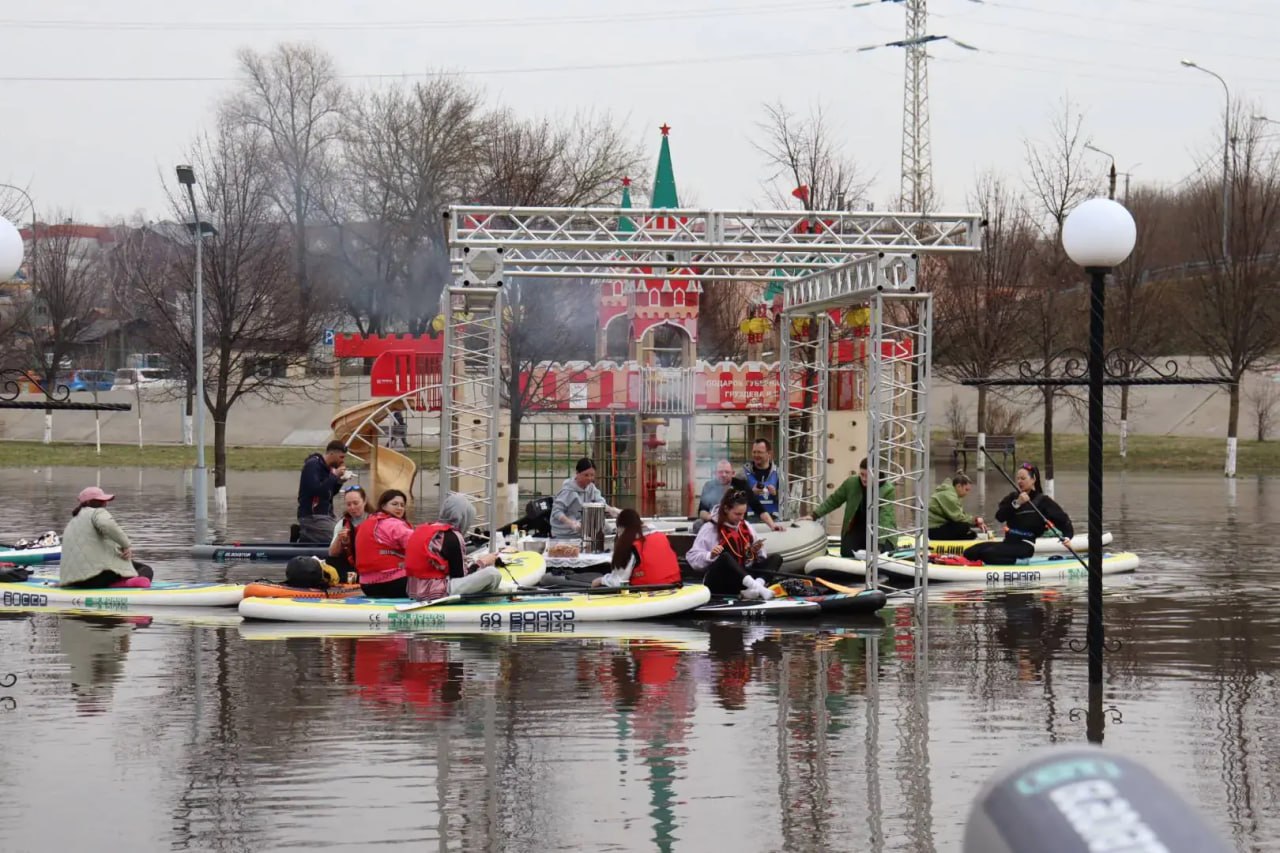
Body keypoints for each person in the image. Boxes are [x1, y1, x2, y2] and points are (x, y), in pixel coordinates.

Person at [963, 463, 1074, 565]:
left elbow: (1064, 520)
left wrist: (1068, 536)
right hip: (1008, 542)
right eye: (1018, 478)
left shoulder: (1043, 501)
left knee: (987, 554)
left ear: (1033, 479)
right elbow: (999, 517)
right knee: (969, 552)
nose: (1020, 481)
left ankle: (1020, 562)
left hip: (1025, 545)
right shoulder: (1012, 498)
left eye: (1023, 478)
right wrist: (1017, 503)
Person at [405, 492, 504, 602]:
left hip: (414, 591)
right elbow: (460, 576)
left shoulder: (423, 528)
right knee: (493, 573)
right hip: (437, 593)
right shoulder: (453, 535)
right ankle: (485, 601)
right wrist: (482, 562)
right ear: (463, 517)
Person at [686, 489, 782, 599]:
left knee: (776, 558)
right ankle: (759, 589)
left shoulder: (745, 525)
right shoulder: (710, 528)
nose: (741, 518)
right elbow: (692, 558)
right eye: (737, 514)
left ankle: (755, 589)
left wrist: (756, 550)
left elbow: (757, 556)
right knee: (725, 557)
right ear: (726, 509)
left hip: (743, 579)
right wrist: (710, 555)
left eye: (743, 514)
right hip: (721, 581)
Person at [59, 486, 154, 589]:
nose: (105, 503)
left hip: (73, 581)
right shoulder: (97, 512)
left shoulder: (72, 521)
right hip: (97, 578)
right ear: (95, 502)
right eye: (103, 500)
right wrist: (125, 545)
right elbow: (107, 525)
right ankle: (127, 583)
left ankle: (120, 582)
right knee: (145, 569)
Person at [804, 457, 897, 558]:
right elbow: (834, 500)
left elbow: (885, 518)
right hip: (856, 526)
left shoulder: (888, 489)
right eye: (862, 475)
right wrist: (814, 515)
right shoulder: (851, 483)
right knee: (847, 553)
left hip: (878, 529)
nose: (864, 479)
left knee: (885, 552)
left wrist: (879, 545)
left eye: (868, 475)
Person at [593, 508, 682, 588]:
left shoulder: (630, 546)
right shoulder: (661, 536)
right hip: (674, 584)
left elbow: (619, 581)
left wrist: (601, 580)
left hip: (647, 590)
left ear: (621, 528)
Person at [354, 489, 414, 597]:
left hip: (367, 585)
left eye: (402, 505)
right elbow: (418, 546)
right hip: (395, 583)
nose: (399, 508)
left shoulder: (366, 523)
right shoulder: (394, 524)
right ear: (383, 506)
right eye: (394, 504)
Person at [695, 459, 783, 532]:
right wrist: (711, 518)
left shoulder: (741, 485)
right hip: (715, 524)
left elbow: (758, 508)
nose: (723, 475)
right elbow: (702, 511)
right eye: (720, 472)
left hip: (737, 525)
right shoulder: (709, 486)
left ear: (733, 473)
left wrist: (772, 525)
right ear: (715, 473)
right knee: (698, 524)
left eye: (727, 472)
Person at [550, 458, 620, 539]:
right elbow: (556, 511)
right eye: (586, 475)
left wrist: (611, 510)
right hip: (565, 532)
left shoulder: (591, 488)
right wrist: (571, 523)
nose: (590, 478)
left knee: (601, 522)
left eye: (592, 475)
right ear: (577, 473)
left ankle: (611, 536)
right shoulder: (568, 491)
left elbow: (600, 502)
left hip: (583, 528)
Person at [297, 440, 350, 544]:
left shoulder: (328, 469)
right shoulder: (313, 465)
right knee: (338, 540)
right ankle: (306, 533)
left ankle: (306, 536)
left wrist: (339, 481)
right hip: (312, 516)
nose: (342, 461)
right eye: (341, 457)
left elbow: (327, 494)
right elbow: (316, 490)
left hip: (326, 515)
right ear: (331, 454)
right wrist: (334, 475)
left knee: (347, 532)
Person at [928, 472, 987, 541]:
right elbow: (958, 518)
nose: (967, 493)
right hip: (933, 529)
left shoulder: (950, 493)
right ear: (959, 486)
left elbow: (961, 515)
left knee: (971, 534)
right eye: (966, 490)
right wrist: (976, 520)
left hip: (938, 526)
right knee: (964, 527)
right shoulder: (949, 497)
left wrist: (976, 523)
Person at [328, 485, 369, 581]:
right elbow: (332, 553)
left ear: (365, 501)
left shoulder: (375, 520)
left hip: (370, 565)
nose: (352, 507)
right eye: (349, 504)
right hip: (352, 566)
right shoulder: (342, 524)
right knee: (331, 561)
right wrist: (339, 538)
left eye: (356, 503)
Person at [742, 438, 785, 517]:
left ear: (769, 454)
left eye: (760, 452)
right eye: (754, 452)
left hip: (775, 520)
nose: (756, 455)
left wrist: (776, 494)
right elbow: (735, 499)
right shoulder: (743, 474)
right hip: (750, 520)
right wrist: (750, 493)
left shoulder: (779, 474)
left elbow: (789, 501)